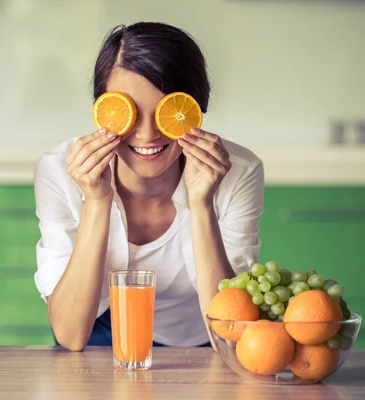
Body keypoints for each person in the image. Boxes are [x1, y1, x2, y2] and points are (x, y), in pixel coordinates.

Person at [33, 22, 264, 350]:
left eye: (166, 112)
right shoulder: (60, 170)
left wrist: (201, 203)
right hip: (102, 332)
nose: (147, 135)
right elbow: (70, 335)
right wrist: (97, 202)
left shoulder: (238, 172)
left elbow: (229, 332)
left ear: (195, 109)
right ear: (103, 111)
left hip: (202, 338)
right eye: (129, 112)